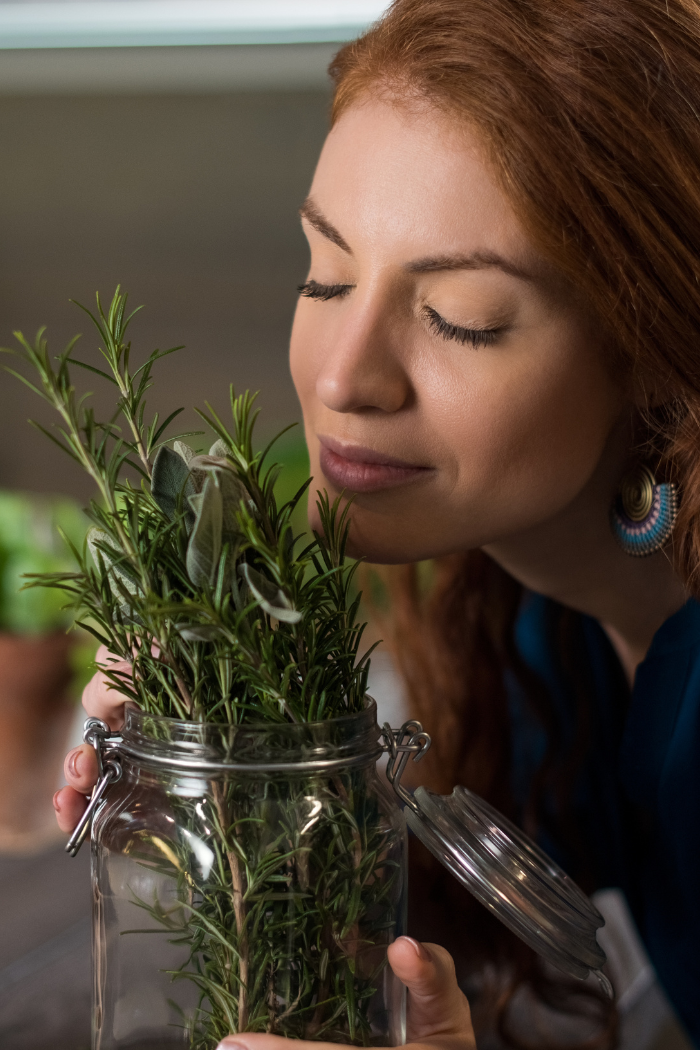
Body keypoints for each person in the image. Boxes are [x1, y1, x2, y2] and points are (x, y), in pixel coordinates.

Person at [53, 0, 700, 1046]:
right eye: (326, 273)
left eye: (461, 319)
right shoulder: (537, 618)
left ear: (659, 347)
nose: (344, 376)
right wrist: (227, 774)